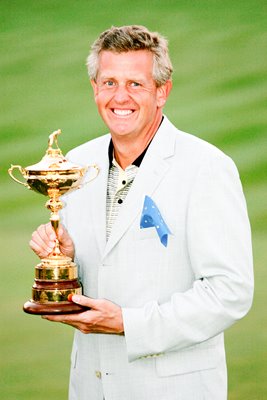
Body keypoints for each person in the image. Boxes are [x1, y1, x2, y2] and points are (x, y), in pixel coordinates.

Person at [30, 25, 254, 400]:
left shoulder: (206, 166)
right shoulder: (76, 164)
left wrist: (128, 324)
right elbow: (105, 273)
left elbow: (230, 292)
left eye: (136, 84)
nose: (121, 97)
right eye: (109, 82)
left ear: (162, 91)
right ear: (94, 88)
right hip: (90, 387)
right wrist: (66, 260)